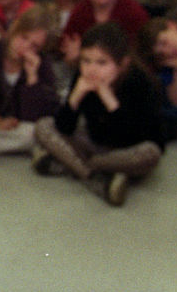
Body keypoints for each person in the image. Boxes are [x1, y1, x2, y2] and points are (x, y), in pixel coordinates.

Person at [34, 22, 164, 206]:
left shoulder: (140, 82)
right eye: (86, 61)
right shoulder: (83, 76)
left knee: (150, 153)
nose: (92, 69)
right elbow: (64, 127)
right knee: (43, 126)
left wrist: (109, 99)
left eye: (102, 62)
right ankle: (96, 178)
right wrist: (76, 97)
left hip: (126, 150)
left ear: (123, 64)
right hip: (95, 144)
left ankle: (73, 165)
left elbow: (134, 138)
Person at [0, 5, 61, 154]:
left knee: (32, 133)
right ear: (15, 29)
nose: (25, 47)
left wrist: (32, 78)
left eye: (34, 46)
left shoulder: (42, 66)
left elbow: (32, 117)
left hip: (17, 128)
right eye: (24, 37)